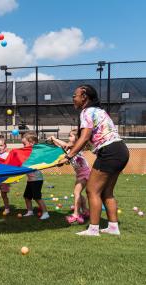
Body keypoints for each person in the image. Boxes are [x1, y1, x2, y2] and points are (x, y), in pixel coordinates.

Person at [58, 84, 129, 236]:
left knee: (92, 190)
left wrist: (69, 156)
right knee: (106, 192)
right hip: (121, 150)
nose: (73, 99)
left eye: (74, 96)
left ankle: (93, 229)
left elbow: (84, 137)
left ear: (84, 97)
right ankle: (113, 227)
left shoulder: (87, 111)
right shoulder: (99, 111)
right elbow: (86, 140)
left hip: (109, 151)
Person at [48, 129, 90, 224]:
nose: (69, 138)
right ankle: (85, 211)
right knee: (78, 193)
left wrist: (54, 138)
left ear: (77, 138)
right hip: (80, 174)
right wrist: (61, 163)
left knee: (76, 192)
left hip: (85, 173)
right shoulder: (70, 150)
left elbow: (64, 145)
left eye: (71, 136)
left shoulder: (76, 146)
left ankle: (76, 215)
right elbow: (66, 156)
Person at [21, 131, 50, 220]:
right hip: (31, 180)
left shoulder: (34, 153)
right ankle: (30, 211)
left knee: (37, 197)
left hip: (37, 179)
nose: (23, 146)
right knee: (27, 196)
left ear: (32, 143)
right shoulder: (28, 153)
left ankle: (45, 213)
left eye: (24, 144)